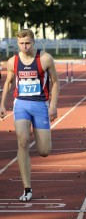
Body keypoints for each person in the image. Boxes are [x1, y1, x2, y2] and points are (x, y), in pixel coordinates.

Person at [0, 29, 60, 201]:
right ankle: (27, 188)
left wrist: (53, 106)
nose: (24, 47)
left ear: (33, 42)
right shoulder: (13, 61)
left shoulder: (45, 59)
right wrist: (2, 104)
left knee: (44, 151)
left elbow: (55, 82)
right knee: (23, 141)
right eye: (21, 44)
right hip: (21, 105)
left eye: (27, 43)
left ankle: (43, 137)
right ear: (17, 44)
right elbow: (9, 83)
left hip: (41, 105)